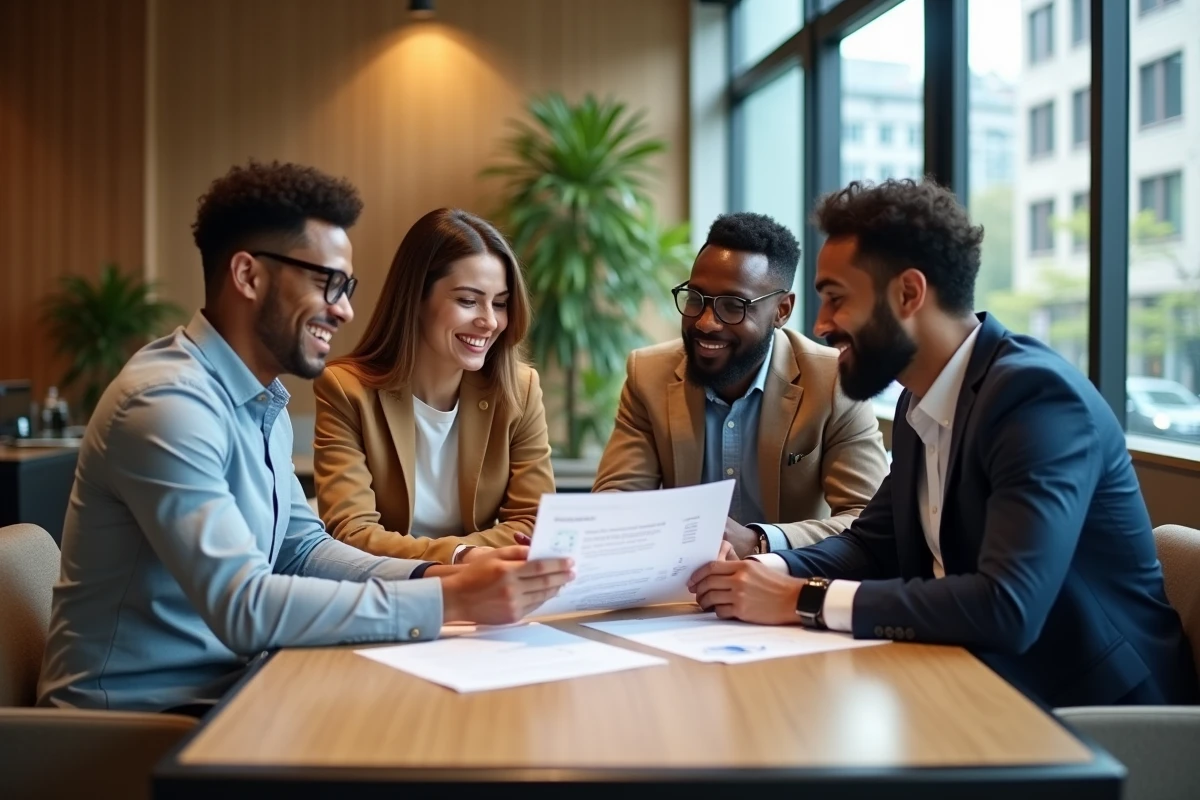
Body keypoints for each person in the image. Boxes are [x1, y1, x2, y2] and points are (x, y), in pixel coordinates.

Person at [37, 162, 573, 714]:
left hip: (232, 690)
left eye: (347, 287)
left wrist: (446, 570)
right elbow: (243, 605)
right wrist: (450, 596)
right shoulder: (165, 404)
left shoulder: (257, 399)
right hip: (135, 720)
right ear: (248, 276)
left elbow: (302, 550)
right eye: (327, 283)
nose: (344, 310)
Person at [688, 179, 1197, 708]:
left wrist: (803, 599)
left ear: (909, 293)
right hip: (975, 681)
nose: (822, 324)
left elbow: (1008, 605)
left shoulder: (1037, 399)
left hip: (1097, 713)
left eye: (837, 298)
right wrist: (764, 572)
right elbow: (871, 544)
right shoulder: (921, 400)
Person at [592, 212, 889, 556]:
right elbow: (615, 505)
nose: (706, 322)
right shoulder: (648, 374)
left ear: (782, 310)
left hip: (785, 590)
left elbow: (867, 520)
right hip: (682, 591)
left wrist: (761, 541)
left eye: (733, 306)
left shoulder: (834, 383)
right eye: (696, 299)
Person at [313, 208, 553, 565]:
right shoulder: (346, 390)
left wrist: (465, 558)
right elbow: (351, 533)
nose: (489, 321)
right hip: (391, 594)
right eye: (468, 301)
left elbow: (535, 524)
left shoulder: (520, 389)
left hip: (487, 593)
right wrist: (462, 556)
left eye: (500, 304)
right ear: (417, 299)